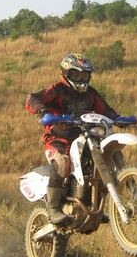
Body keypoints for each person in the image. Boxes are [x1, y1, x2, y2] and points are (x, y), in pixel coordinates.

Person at [25, 53, 120, 225]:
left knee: (101, 164)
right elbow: (32, 98)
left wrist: (118, 118)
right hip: (58, 139)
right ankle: (53, 209)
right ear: (65, 74)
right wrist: (43, 110)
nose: (81, 80)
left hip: (86, 137)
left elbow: (105, 109)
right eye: (76, 75)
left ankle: (96, 207)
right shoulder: (58, 90)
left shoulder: (91, 94)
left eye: (85, 75)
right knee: (62, 162)